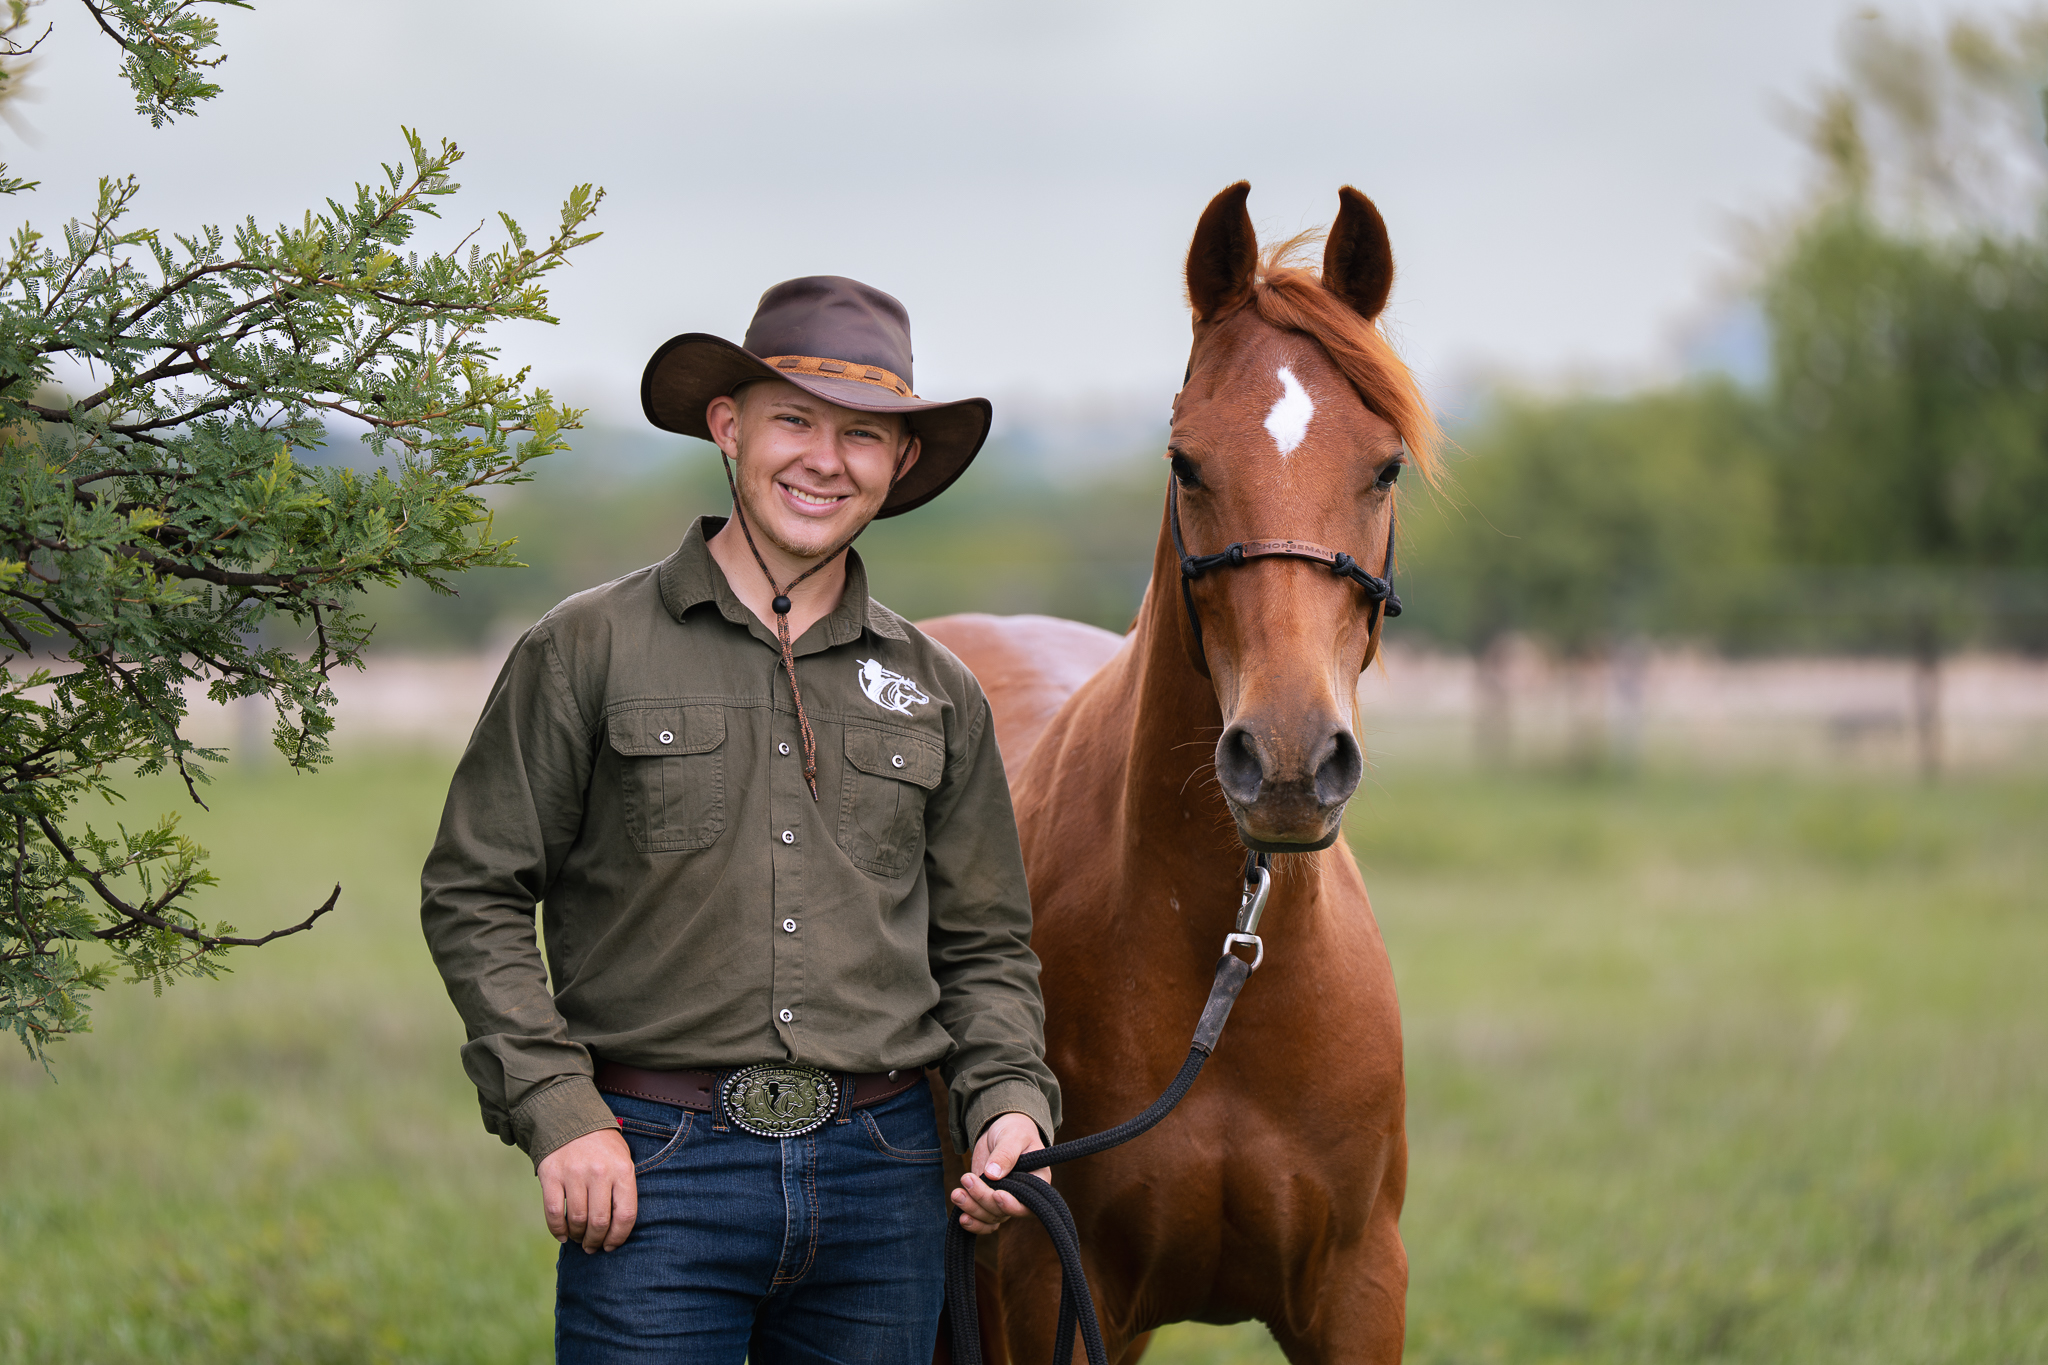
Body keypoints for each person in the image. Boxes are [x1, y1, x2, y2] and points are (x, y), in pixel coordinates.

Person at [420, 276, 1059, 1362]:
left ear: (898, 464)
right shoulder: (585, 649)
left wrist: (1008, 1104)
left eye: (862, 435)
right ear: (728, 427)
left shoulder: (939, 690)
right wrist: (558, 1109)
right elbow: (474, 892)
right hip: (656, 1167)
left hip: (885, 1180)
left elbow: (985, 943)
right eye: (794, 421)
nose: (825, 459)